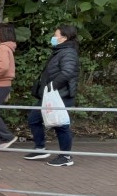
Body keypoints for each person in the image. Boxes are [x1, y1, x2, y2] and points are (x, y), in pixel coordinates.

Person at [24, 25, 80, 167]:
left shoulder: (68, 52)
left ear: (64, 38)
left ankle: (66, 157)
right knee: (33, 119)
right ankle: (40, 148)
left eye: (56, 35)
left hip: (60, 95)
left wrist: (51, 87)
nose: (53, 38)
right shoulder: (60, 51)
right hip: (51, 95)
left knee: (61, 125)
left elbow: (67, 72)